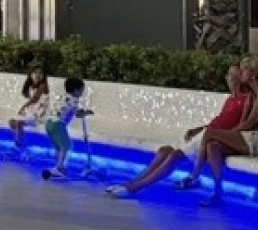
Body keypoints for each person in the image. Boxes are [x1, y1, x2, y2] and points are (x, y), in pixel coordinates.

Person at [106, 63, 250, 199]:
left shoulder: (245, 99)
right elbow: (219, 120)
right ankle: (132, 182)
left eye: (231, 75)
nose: (227, 78)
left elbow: (240, 124)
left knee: (175, 155)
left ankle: (135, 187)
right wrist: (198, 129)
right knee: (164, 151)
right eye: (228, 75)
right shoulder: (230, 98)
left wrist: (220, 136)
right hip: (206, 132)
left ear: (238, 79)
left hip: (212, 136)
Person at [194, 58, 258, 206]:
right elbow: (245, 122)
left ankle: (194, 176)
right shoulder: (253, 94)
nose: (241, 72)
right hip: (256, 136)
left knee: (210, 133)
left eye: (244, 69)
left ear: (254, 73)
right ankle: (217, 194)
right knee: (212, 146)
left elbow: (250, 123)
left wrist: (228, 133)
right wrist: (228, 134)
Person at [39, 78, 90, 181]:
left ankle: (57, 167)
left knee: (59, 147)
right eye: (81, 90)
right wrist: (86, 113)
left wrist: (81, 111)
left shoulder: (63, 96)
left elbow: (67, 108)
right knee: (66, 146)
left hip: (49, 123)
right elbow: (78, 114)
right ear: (76, 90)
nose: (82, 93)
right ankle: (60, 169)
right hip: (58, 124)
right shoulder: (74, 99)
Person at [3, 67, 50, 161]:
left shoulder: (43, 86)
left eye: (40, 73)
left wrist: (23, 107)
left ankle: (18, 147)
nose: (37, 75)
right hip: (32, 114)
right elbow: (32, 103)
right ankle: (21, 146)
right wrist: (25, 111)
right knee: (12, 122)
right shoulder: (31, 86)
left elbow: (35, 99)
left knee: (19, 123)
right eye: (35, 73)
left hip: (40, 115)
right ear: (31, 74)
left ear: (44, 76)